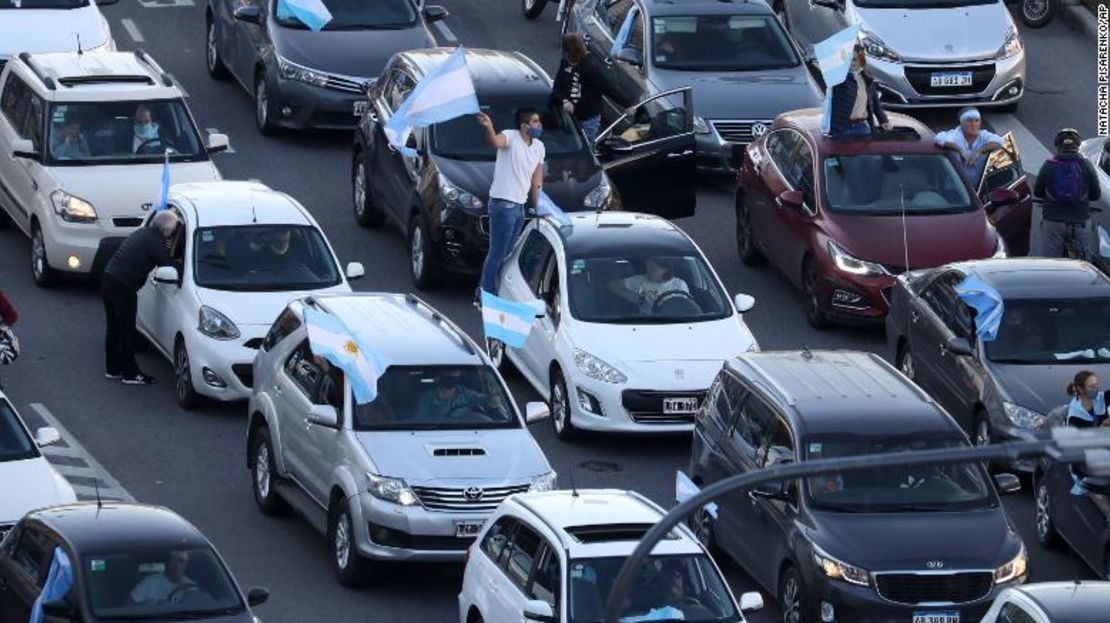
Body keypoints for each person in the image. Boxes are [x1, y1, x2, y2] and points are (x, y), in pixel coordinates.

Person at [475, 108, 546, 302]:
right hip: (502, 204)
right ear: (524, 126)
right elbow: (495, 142)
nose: (539, 125)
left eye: (539, 121)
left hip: (519, 207)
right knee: (498, 252)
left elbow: (536, 178)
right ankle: (486, 294)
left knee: (507, 252)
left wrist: (537, 205)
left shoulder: (539, 147)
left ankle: (486, 288)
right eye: (535, 121)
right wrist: (489, 128)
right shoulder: (510, 137)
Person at [101, 210, 179, 385]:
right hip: (123, 287)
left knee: (113, 328)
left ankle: (113, 368)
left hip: (109, 279)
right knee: (126, 330)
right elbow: (169, 265)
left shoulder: (143, 233)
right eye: (174, 230)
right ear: (166, 230)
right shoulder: (156, 242)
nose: (173, 233)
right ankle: (130, 374)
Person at [1033, 128, 1102, 260]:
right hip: (1081, 219)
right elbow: (1096, 195)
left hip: (1054, 220)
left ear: (1058, 146)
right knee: (1084, 263)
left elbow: (1037, 192)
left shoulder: (1049, 165)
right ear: (1078, 146)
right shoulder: (1086, 165)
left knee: (1052, 263)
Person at [828, 44, 891, 138]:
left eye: (854, 60)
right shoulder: (839, 78)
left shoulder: (866, 78)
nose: (850, 63)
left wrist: (883, 120)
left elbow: (874, 101)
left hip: (862, 127)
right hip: (841, 129)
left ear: (861, 60)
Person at [552, 33, 603, 143]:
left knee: (586, 144)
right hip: (570, 116)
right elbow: (557, 86)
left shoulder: (590, 68)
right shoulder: (564, 63)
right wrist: (565, 101)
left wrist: (627, 103)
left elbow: (607, 87)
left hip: (587, 118)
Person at [934, 108, 1004, 186]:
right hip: (955, 187)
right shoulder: (955, 135)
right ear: (962, 123)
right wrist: (960, 150)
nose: (973, 124)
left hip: (979, 187)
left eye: (976, 120)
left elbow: (999, 141)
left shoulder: (983, 135)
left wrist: (979, 151)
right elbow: (939, 138)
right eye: (969, 121)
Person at [608, 258, 689, 314]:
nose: (648, 272)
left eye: (653, 269)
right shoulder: (641, 280)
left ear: (665, 269)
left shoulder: (679, 284)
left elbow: (685, 308)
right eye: (647, 268)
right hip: (644, 322)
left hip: (674, 322)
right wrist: (632, 296)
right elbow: (612, 285)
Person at [413, 369, 487, 421]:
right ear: (441, 373)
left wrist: (492, 400)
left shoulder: (465, 393)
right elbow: (420, 419)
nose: (451, 374)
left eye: (455, 371)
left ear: (459, 373)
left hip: (467, 431)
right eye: (448, 371)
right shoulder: (429, 397)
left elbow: (484, 399)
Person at [129, 550, 198, 604]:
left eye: (181, 561)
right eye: (172, 560)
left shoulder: (192, 588)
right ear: (167, 562)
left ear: (187, 563)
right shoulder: (150, 582)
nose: (176, 565)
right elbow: (130, 605)